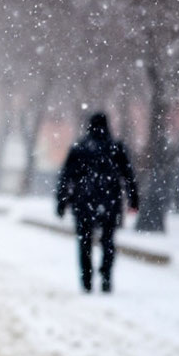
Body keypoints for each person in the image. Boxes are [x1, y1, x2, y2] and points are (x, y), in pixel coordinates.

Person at [56, 112, 139, 293]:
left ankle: (86, 278)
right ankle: (106, 277)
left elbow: (66, 177)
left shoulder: (79, 147)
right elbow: (128, 176)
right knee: (108, 241)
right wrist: (134, 200)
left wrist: (61, 203)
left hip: (83, 202)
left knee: (84, 241)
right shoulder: (116, 147)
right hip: (110, 201)